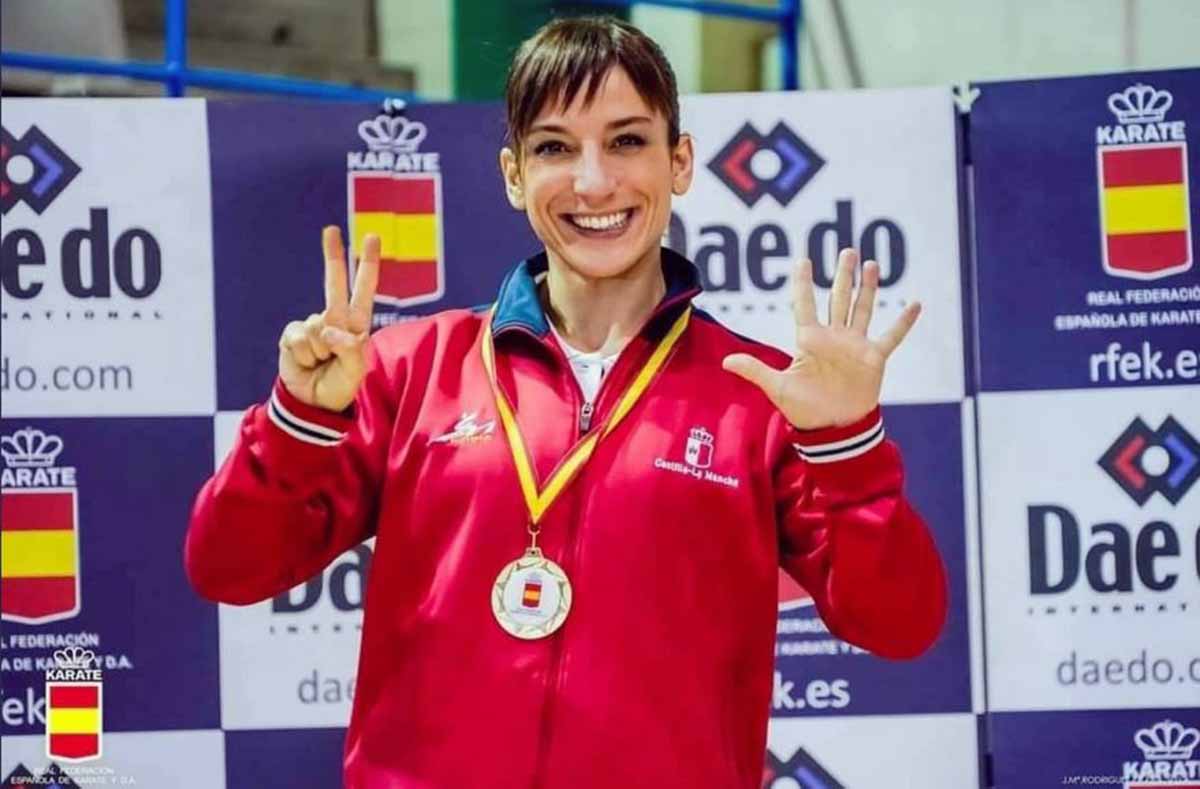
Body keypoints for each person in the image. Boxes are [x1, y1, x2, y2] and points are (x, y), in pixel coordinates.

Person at [185, 16, 947, 788]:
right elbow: (227, 567)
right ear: (514, 175)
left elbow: (901, 622)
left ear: (679, 161)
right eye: (554, 147)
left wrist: (846, 444)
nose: (593, 182)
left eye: (626, 141)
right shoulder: (409, 368)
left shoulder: (759, 395)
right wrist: (299, 422)